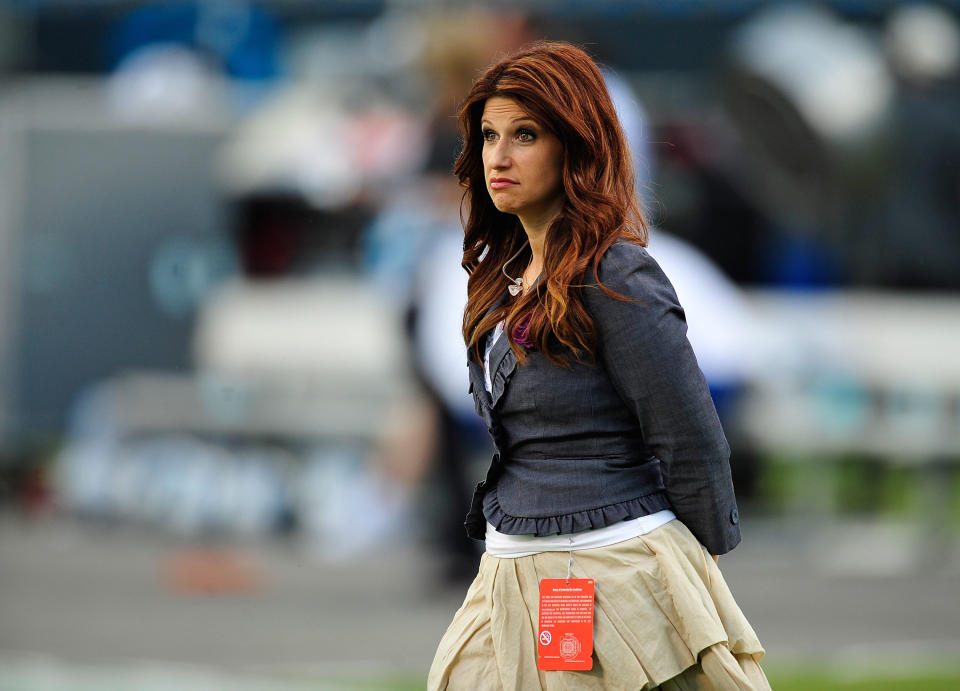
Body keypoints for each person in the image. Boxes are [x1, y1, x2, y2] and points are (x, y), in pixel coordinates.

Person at [427, 42, 769, 690]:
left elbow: (690, 436)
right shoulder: (496, 279)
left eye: (524, 135)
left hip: (610, 568)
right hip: (504, 566)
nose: (497, 156)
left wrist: (692, 572)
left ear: (575, 146)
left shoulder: (618, 275)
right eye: (489, 136)